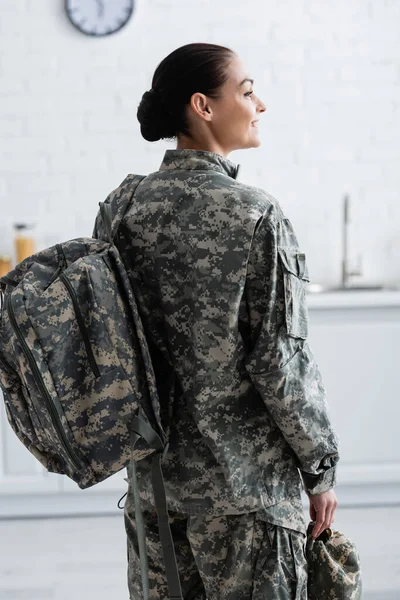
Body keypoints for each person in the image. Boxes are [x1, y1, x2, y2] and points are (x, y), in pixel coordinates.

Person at [94, 42, 339, 599]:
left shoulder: (121, 207)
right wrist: (319, 469)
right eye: (248, 91)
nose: (260, 104)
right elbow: (279, 361)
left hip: (154, 491)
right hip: (246, 495)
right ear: (203, 106)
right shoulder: (256, 213)